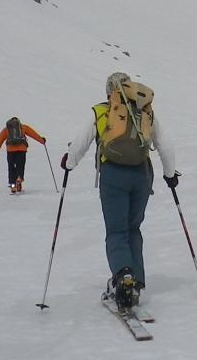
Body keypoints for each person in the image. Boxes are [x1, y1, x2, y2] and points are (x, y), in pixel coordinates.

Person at [60, 72, 179, 309]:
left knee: (116, 231)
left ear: (109, 92)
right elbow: (166, 145)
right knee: (133, 229)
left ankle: (124, 275)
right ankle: (136, 281)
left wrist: (69, 162)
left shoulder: (102, 111)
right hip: (141, 176)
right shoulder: (146, 112)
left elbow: (80, 142)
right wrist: (170, 174)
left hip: (113, 175)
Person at [0, 116, 46, 194]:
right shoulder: (23, 127)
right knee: (20, 166)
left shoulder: (7, 129)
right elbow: (33, 134)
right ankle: (19, 178)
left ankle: (12, 185)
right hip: (22, 150)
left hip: (10, 151)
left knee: (11, 167)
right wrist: (42, 140)